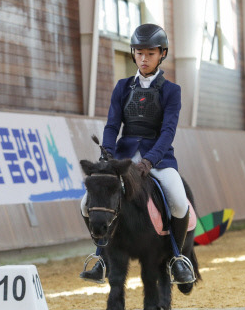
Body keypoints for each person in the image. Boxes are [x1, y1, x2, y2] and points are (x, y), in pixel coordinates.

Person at [79, 23, 195, 285]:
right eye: (139, 53)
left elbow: (168, 131)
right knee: (86, 204)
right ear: (133, 54)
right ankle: (101, 258)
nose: (144, 59)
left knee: (178, 201)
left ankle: (176, 258)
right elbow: (112, 125)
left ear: (162, 54)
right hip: (123, 159)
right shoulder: (122, 87)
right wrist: (108, 155)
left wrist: (149, 160)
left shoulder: (171, 91)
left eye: (150, 54)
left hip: (159, 158)